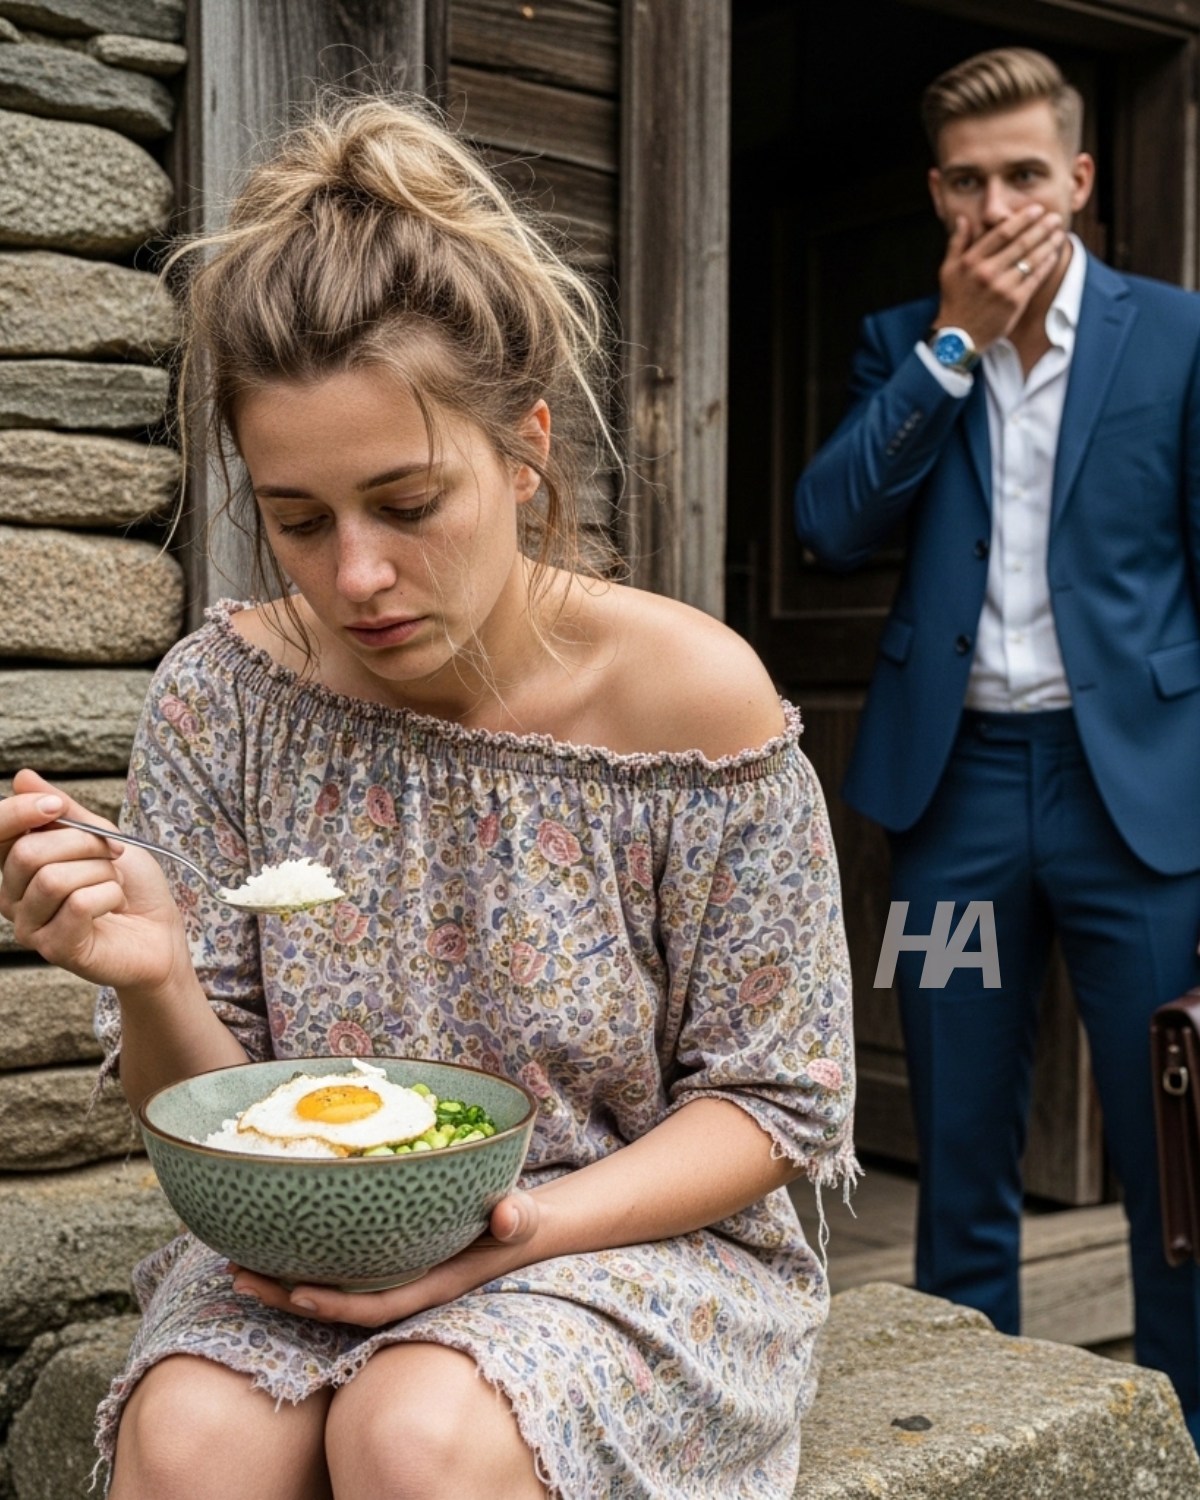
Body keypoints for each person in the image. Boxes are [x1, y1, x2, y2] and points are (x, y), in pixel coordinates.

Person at [0, 97, 857, 1499]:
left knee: (415, 1435)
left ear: (523, 454)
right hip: (301, 1239)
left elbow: (771, 1103)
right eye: (298, 520)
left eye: (407, 504)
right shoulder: (221, 703)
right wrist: (153, 977)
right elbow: (224, 1125)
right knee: (191, 1440)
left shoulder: (692, 706)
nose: (356, 579)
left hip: (620, 1246)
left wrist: (514, 1231)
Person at [795, 45, 1200, 1441]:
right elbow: (830, 522)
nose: (998, 202)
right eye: (968, 180)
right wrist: (951, 349)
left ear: (1079, 181)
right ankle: (977, 1443)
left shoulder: (1179, 338)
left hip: (1137, 816)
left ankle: (1185, 1440)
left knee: (1178, 1155)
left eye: (1026, 173)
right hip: (953, 809)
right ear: (936, 194)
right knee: (960, 1136)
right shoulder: (907, 337)